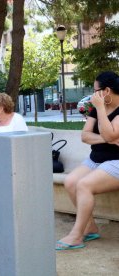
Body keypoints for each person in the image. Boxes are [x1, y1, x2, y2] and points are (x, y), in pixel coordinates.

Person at [56, 71, 119, 250]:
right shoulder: (95, 109)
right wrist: (109, 139)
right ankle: (90, 227)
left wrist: (100, 109)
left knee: (84, 185)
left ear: (106, 91)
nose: (92, 95)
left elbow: (107, 132)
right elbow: (85, 136)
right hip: (96, 159)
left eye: (95, 90)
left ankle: (76, 235)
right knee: (70, 182)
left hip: (116, 161)